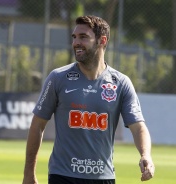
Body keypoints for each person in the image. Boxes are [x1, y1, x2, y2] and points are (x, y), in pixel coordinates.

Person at [22, 15, 155, 184]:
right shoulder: (58, 78)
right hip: (62, 176)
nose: (76, 42)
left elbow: (138, 128)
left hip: (103, 177)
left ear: (102, 40)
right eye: (74, 37)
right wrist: (28, 174)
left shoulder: (121, 83)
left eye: (83, 37)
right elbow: (37, 125)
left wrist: (146, 155)